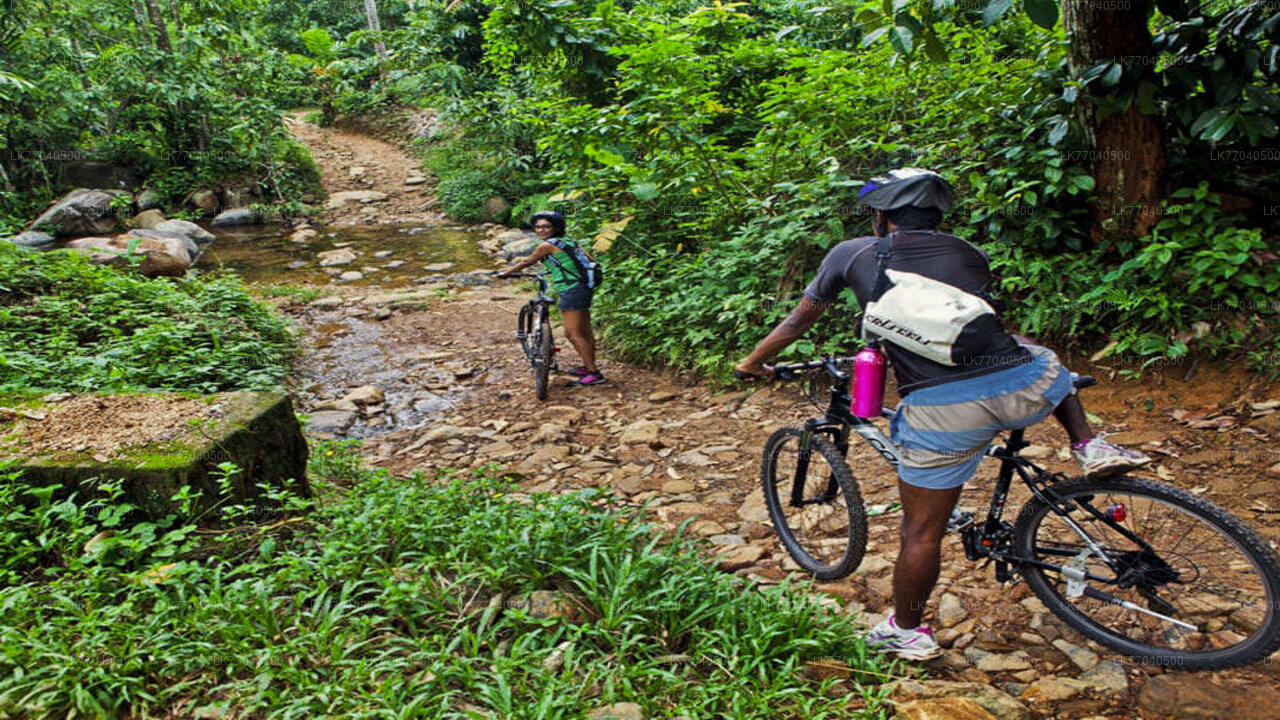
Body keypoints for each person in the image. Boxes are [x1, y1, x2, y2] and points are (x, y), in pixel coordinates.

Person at [734, 168, 1150, 660]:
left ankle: (906, 629)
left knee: (920, 533)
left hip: (947, 411)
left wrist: (753, 362)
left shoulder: (850, 254)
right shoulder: (969, 255)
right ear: (938, 215)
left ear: (881, 216)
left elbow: (800, 317)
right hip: (1028, 388)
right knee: (1036, 351)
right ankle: (1090, 444)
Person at [496, 211, 604, 386]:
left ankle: (594, 373)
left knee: (572, 333)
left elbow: (526, 262)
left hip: (571, 290)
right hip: (584, 287)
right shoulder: (569, 242)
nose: (541, 230)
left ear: (555, 227)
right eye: (538, 227)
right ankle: (587, 366)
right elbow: (590, 260)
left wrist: (504, 273)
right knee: (585, 331)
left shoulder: (546, 246)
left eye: (546, 226)